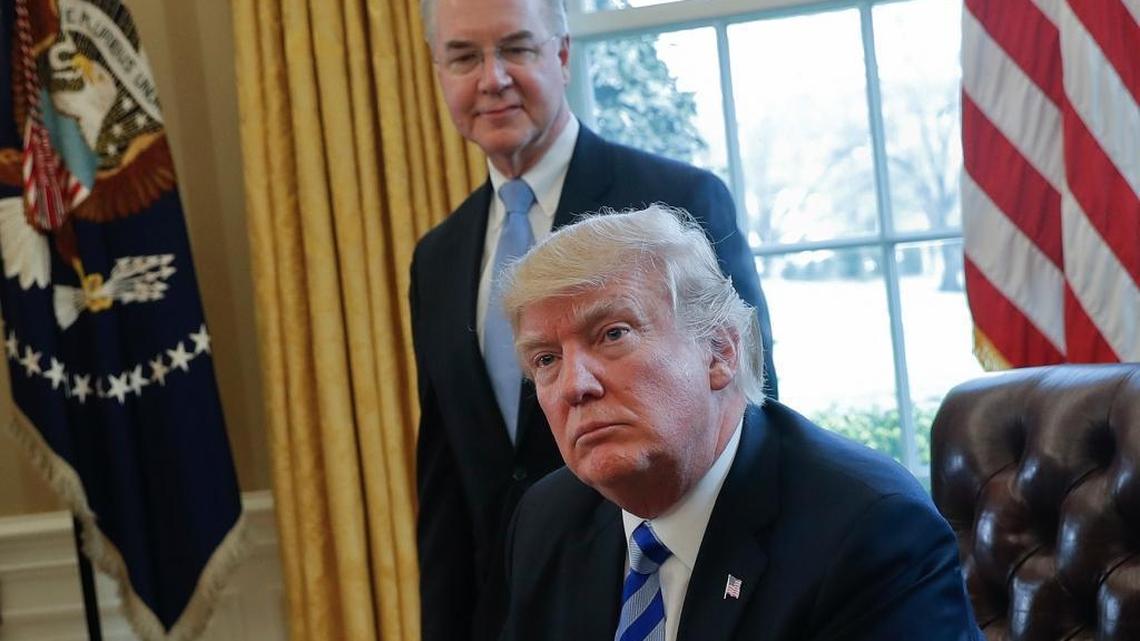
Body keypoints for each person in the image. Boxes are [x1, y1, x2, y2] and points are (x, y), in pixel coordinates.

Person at [410, 0, 777, 640]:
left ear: (561, 55)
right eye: (465, 57)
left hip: (675, 591)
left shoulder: (675, 203)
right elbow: (446, 479)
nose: (491, 78)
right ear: (439, 72)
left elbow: (748, 399)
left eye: (516, 49)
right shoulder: (436, 257)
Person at [497, 206, 983, 641]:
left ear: (719, 351)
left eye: (613, 334)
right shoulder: (549, 519)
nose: (574, 385)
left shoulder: (867, 531)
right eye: (545, 359)